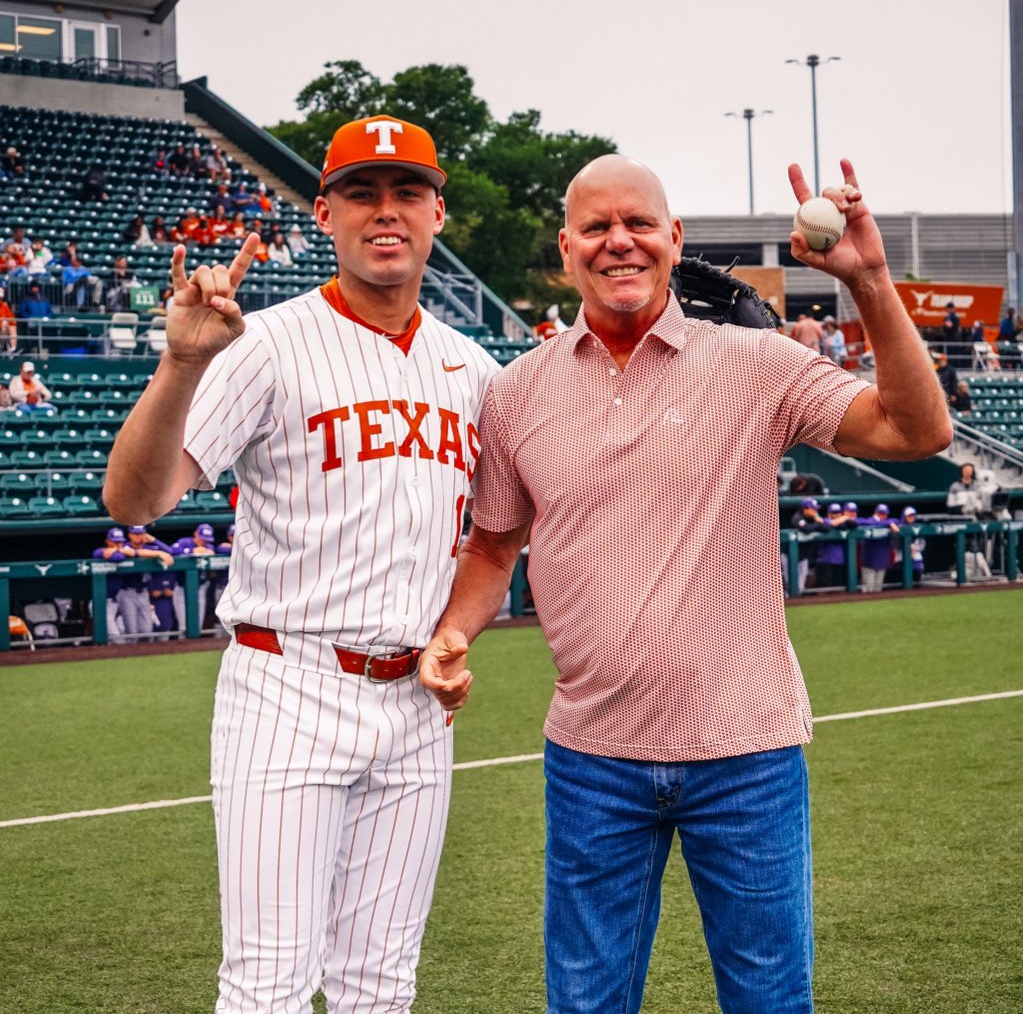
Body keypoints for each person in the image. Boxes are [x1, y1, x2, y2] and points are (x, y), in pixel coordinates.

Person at [419, 154, 952, 1014]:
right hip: (592, 758)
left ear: (674, 239)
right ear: (566, 248)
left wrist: (871, 281)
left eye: (637, 224)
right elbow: (490, 548)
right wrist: (453, 632)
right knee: (587, 1003)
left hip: (746, 752)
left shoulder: (756, 364)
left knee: (769, 1000)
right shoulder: (515, 393)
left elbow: (915, 430)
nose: (617, 241)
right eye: (595, 227)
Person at [103, 113, 500, 1014]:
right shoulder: (266, 342)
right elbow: (135, 501)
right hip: (289, 684)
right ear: (324, 212)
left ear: (439, 212)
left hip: (415, 703)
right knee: (268, 985)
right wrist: (177, 365)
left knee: (381, 987)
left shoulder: (471, 368)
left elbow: (492, 536)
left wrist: (452, 632)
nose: (385, 211)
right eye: (362, 193)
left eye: (407, 191)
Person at [786, 496, 824, 595]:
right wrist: (818, 524)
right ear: (805, 508)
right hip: (788, 555)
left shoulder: (813, 518)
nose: (815, 511)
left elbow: (826, 528)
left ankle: (798, 601)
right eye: (813, 509)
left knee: (800, 585)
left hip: (803, 555)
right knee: (788, 582)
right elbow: (806, 529)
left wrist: (818, 521)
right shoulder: (797, 517)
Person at [859, 502, 899, 592]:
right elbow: (861, 521)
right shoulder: (868, 521)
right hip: (869, 561)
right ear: (876, 513)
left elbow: (898, 521)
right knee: (868, 590)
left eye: (884, 513)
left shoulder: (889, 522)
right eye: (880, 513)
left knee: (878, 590)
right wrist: (888, 523)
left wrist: (890, 522)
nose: (882, 515)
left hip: (882, 561)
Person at [897, 505, 925, 587]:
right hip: (901, 558)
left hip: (915, 557)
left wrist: (916, 548)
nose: (911, 517)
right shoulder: (899, 527)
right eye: (909, 516)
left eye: (913, 515)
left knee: (916, 583)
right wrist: (906, 547)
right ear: (905, 516)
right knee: (902, 584)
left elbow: (922, 544)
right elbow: (895, 544)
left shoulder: (918, 527)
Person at [0, 286, 15, 354]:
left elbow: (11, 318)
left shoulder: (4, 306)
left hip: (3, 326)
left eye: (1, 297)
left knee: (12, 326)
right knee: (4, 324)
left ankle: (13, 349)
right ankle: (1, 347)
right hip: (2, 325)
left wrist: (11, 323)